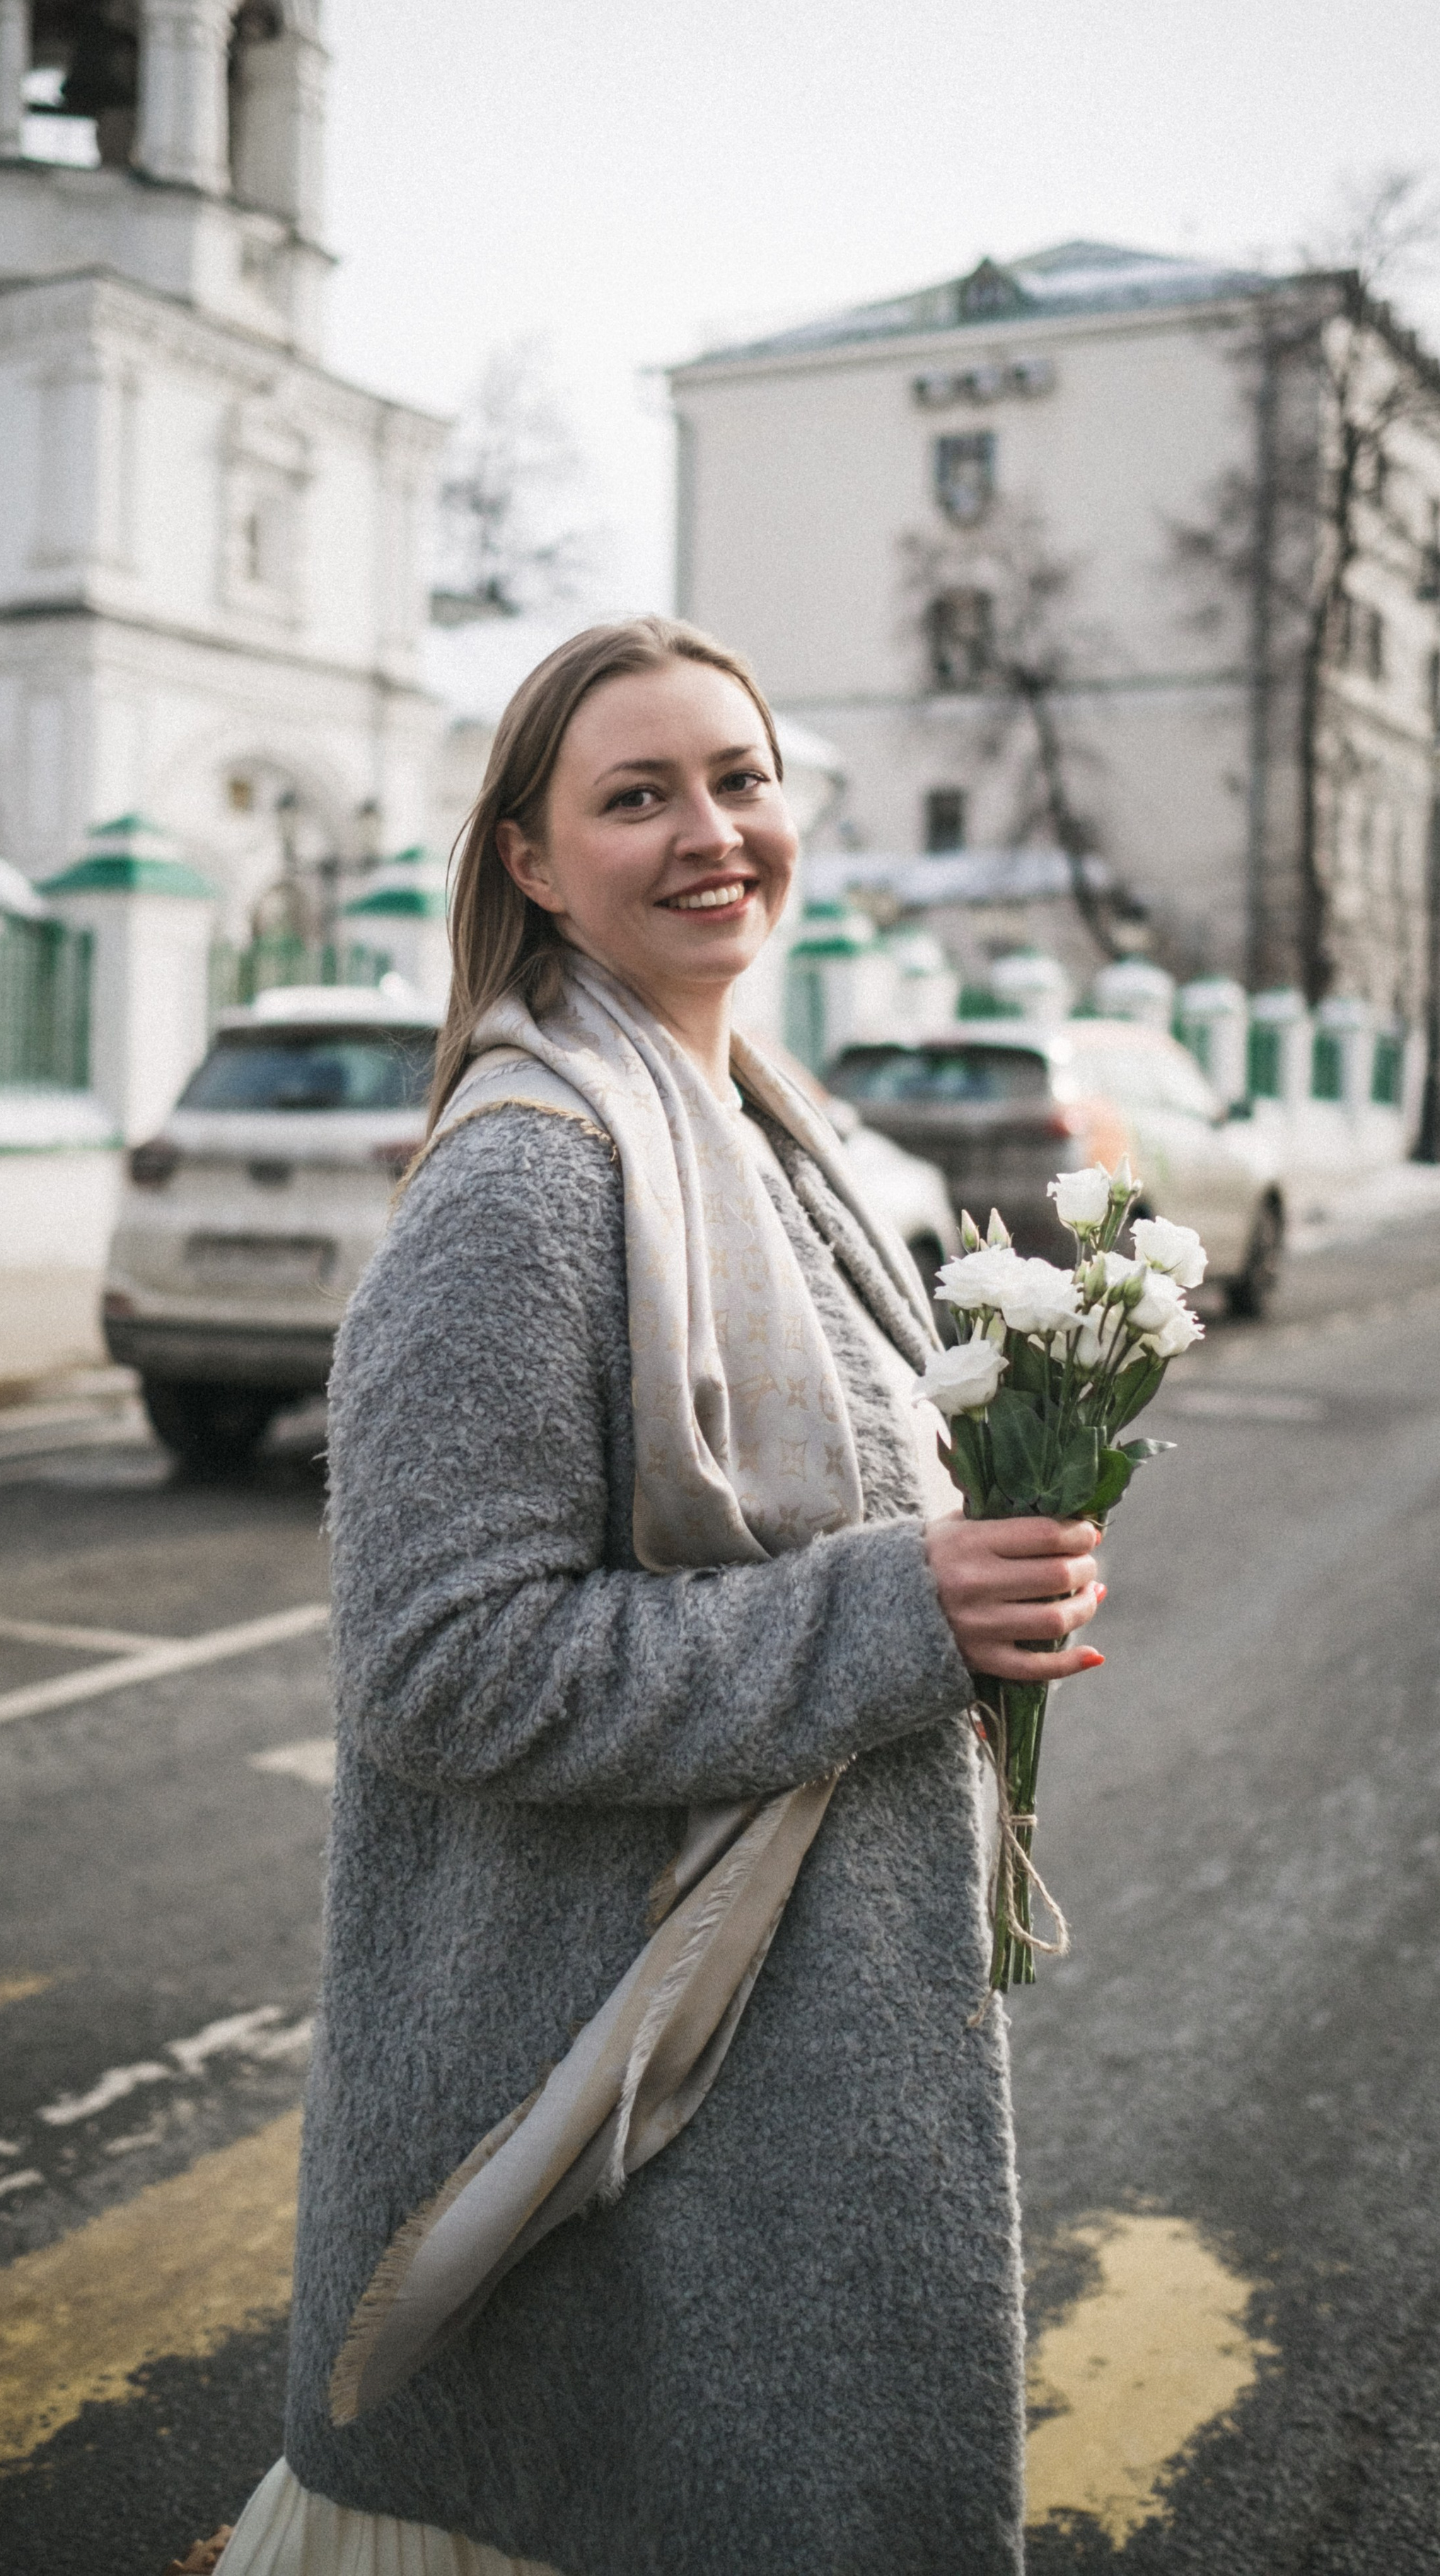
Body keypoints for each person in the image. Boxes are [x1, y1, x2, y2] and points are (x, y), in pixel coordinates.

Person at [209, 617, 1105, 2576]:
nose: (714, 831)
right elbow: (441, 1674)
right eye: (638, 795)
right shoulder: (529, 1183)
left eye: (742, 779)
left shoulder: (776, 1140)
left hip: (762, 2095)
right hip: (622, 2134)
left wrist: (988, 1566)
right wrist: (899, 1614)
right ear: (529, 861)